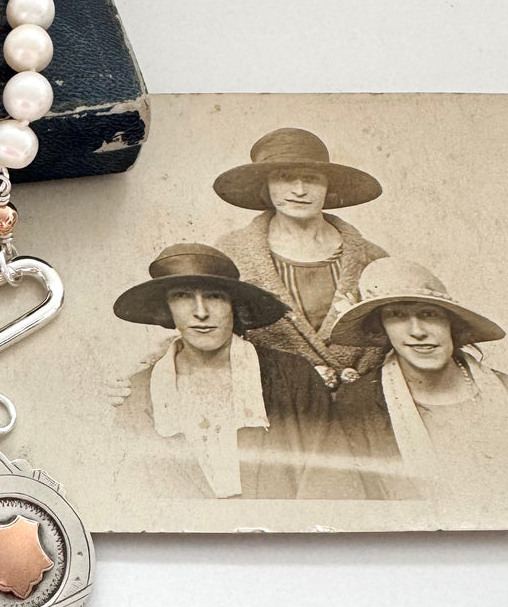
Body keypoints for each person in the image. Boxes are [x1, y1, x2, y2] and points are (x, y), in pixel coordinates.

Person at [112, 243, 333, 499]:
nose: (201, 313)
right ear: (167, 308)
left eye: (215, 296)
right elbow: (130, 490)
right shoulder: (139, 393)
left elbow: (328, 480)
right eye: (182, 296)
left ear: (234, 305)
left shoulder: (294, 376)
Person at [213, 127, 388, 389]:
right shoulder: (232, 253)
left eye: (311, 178)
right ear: (266, 185)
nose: (300, 190)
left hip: (361, 406)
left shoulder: (372, 258)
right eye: (284, 177)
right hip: (271, 403)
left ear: (328, 186)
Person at [323, 257, 508, 502]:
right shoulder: (359, 404)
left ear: (451, 323)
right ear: (382, 328)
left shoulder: (502, 389)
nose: (418, 331)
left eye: (429, 314)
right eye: (397, 316)